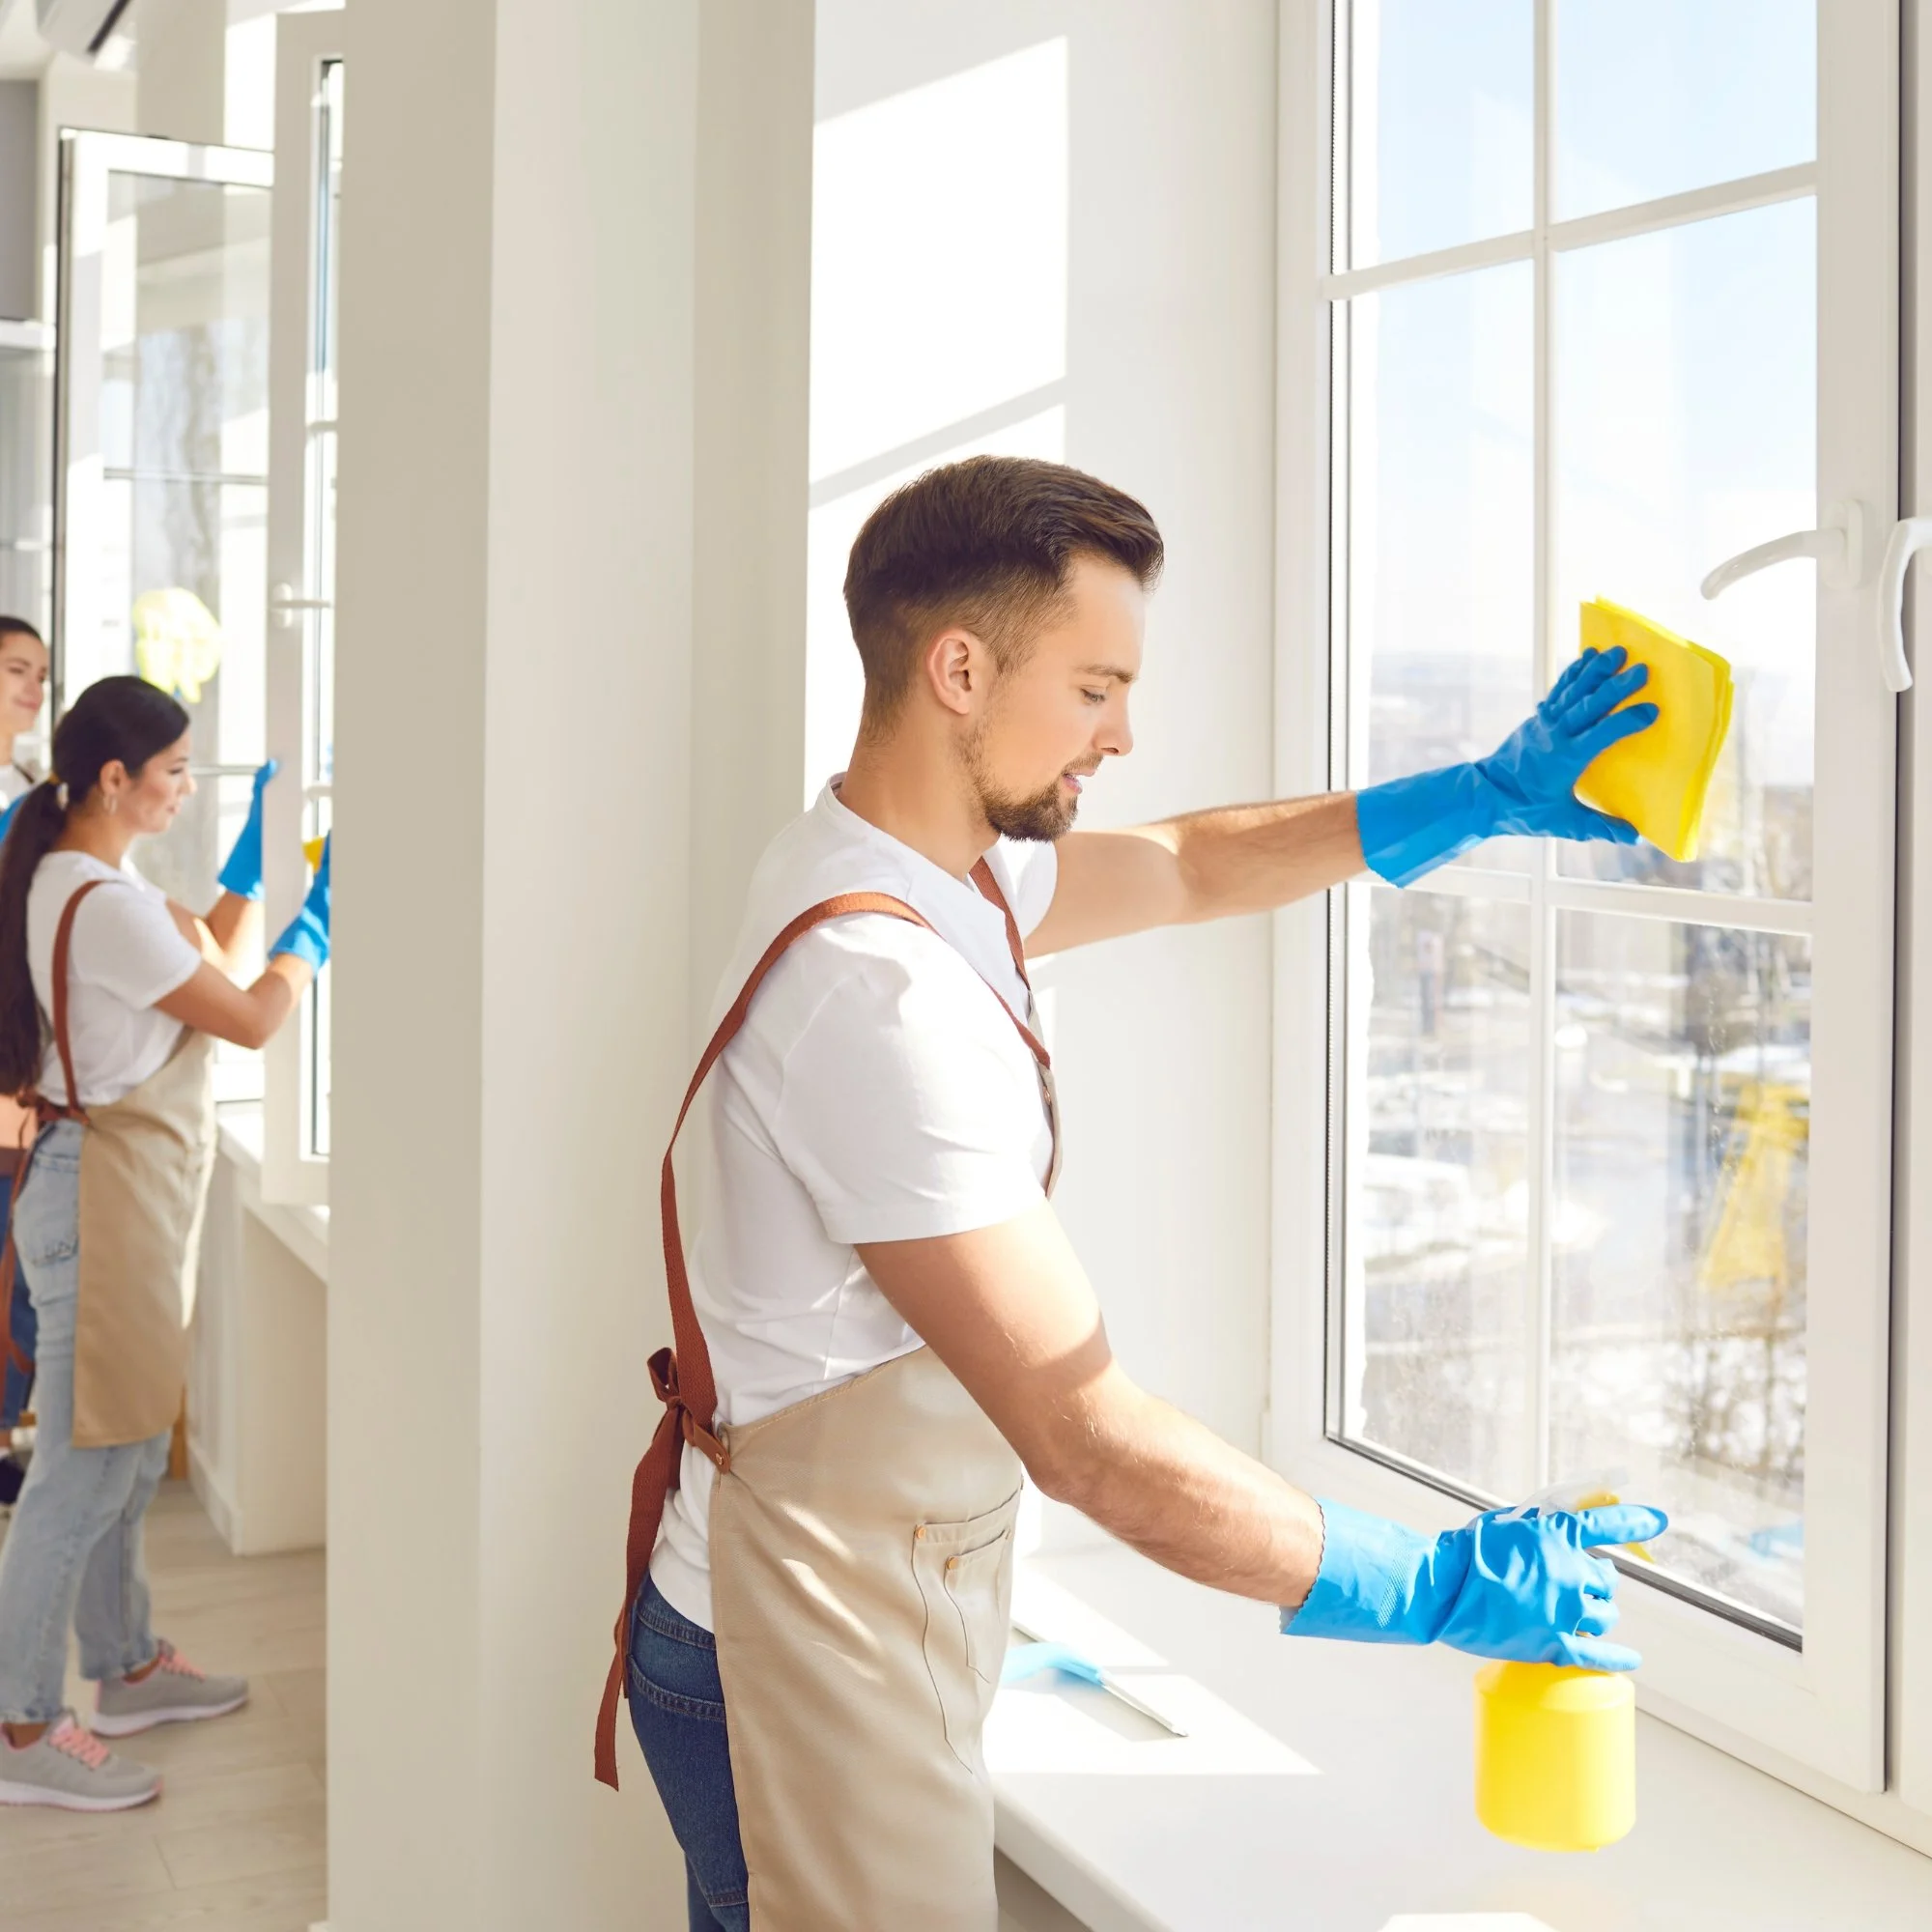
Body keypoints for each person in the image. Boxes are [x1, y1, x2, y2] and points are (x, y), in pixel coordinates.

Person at [595, 456, 1668, 1931]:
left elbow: (1180, 868)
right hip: (784, 1646)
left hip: (838, 1598)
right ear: (958, 668)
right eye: (1096, 688)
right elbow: (1090, 1442)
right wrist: (1427, 1581)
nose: (1124, 732)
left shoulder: (921, 867)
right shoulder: (878, 993)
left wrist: (1466, 800)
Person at [0, 676, 331, 1811]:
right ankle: (21, 1724)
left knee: (131, 1446)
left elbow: (186, 968)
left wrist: (258, 876)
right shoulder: (98, 900)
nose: (189, 790)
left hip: (114, 1191)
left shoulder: (79, 877)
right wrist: (315, 937)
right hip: (102, 1198)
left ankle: (127, 1660)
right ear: (113, 779)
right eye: (178, 772)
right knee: (83, 1464)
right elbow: (242, 1017)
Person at [0, 616, 51, 1504]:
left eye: (41, 673)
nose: (32, 688)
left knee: (14, 1278)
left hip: (22, 1058)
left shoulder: (24, 786)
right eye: (15, 669)